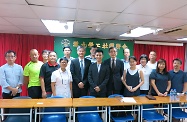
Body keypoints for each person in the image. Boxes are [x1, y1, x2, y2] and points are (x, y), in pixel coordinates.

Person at [0, 50, 23, 119]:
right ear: (5, 58)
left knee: (17, 110)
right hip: (7, 93)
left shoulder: (19, 67)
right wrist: (12, 89)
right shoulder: (2, 68)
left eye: (12, 56)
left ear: (15, 57)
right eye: (8, 56)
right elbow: (2, 81)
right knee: (7, 111)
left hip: (17, 92)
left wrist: (16, 88)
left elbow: (21, 80)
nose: (10, 58)